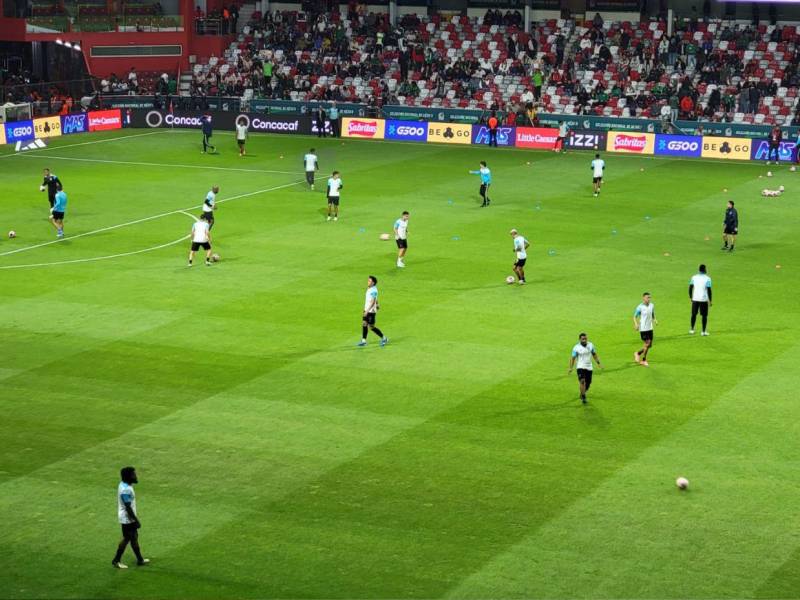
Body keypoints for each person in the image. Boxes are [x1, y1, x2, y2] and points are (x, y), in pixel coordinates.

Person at [112, 466, 149, 569]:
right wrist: (136, 520)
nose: (136, 476)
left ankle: (140, 560)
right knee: (128, 538)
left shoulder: (123, 484)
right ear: (128, 476)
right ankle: (116, 560)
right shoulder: (126, 490)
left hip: (127, 518)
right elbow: (128, 507)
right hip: (127, 519)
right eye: (133, 474)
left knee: (134, 537)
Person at [568, 332, 603, 404]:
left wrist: (598, 363)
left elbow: (594, 354)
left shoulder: (591, 345)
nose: (584, 340)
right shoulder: (576, 347)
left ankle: (582, 393)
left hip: (589, 367)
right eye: (583, 339)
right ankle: (584, 397)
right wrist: (571, 367)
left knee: (588, 383)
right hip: (580, 367)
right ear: (580, 339)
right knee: (582, 381)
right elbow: (573, 358)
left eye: (585, 339)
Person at [358, 275, 388, 347]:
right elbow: (375, 299)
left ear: (373, 283)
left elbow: (373, 301)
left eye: (369, 281)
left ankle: (384, 338)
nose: (368, 282)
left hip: (371, 311)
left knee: (371, 327)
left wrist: (367, 311)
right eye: (368, 280)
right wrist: (377, 304)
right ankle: (363, 340)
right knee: (364, 324)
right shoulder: (370, 288)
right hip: (366, 309)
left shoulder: (374, 290)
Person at [633, 292, 657, 366]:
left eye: (649, 297)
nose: (649, 299)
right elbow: (634, 316)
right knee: (647, 343)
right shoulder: (640, 307)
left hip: (650, 328)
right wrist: (636, 324)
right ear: (643, 298)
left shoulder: (652, 305)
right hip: (643, 328)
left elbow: (652, 313)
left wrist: (655, 319)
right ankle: (644, 360)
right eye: (647, 297)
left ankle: (637, 353)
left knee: (649, 345)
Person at [689, 264, 712, 335]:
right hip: (703, 300)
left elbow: (690, 288)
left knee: (693, 314)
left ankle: (692, 329)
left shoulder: (694, 277)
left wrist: (690, 297)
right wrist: (710, 300)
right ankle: (703, 331)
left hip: (695, 299)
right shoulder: (708, 278)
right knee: (704, 316)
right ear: (705, 269)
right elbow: (709, 290)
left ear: (699, 269)